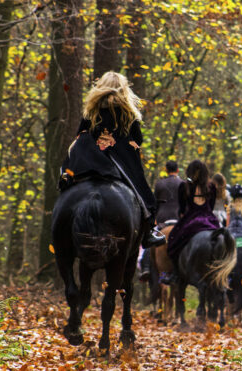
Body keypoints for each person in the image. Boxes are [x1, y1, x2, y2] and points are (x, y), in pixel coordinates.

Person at [59, 71, 164, 248]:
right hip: (119, 161)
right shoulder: (129, 114)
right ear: (123, 90)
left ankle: (65, 179)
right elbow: (138, 140)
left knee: (70, 167)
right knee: (143, 193)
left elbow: (80, 134)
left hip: (90, 160)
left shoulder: (91, 112)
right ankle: (148, 232)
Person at [161, 160, 221, 284]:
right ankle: (226, 275)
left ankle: (175, 273)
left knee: (173, 239)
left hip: (191, 219)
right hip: (209, 219)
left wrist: (182, 217)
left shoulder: (184, 186)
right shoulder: (211, 186)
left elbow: (182, 209)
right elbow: (211, 206)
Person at [139, 160, 183, 281]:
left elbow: (154, 205)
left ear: (166, 170)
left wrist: (153, 220)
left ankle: (146, 268)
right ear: (178, 170)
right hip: (179, 221)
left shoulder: (160, 184)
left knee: (150, 242)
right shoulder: (183, 184)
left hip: (163, 221)